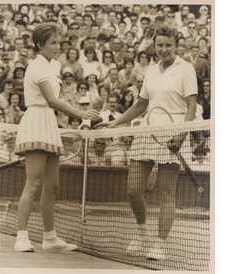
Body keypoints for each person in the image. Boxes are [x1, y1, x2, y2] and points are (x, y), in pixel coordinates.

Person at [106, 25, 198, 260]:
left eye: (168, 45)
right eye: (160, 45)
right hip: (148, 131)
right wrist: (117, 122)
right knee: (133, 190)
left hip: (174, 131)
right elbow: (140, 105)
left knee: (166, 192)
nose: (164, 49)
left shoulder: (186, 69)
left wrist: (182, 133)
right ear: (154, 46)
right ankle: (142, 232)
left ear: (176, 46)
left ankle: (160, 244)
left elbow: (191, 106)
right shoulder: (150, 70)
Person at [14, 22, 100, 252]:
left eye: (59, 42)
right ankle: (21, 237)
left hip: (49, 123)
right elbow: (52, 100)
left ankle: (49, 238)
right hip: (35, 122)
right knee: (33, 183)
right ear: (41, 44)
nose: (58, 46)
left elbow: (52, 104)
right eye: (53, 42)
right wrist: (81, 113)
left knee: (52, 186)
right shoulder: (39, 66)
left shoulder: (51, 66)